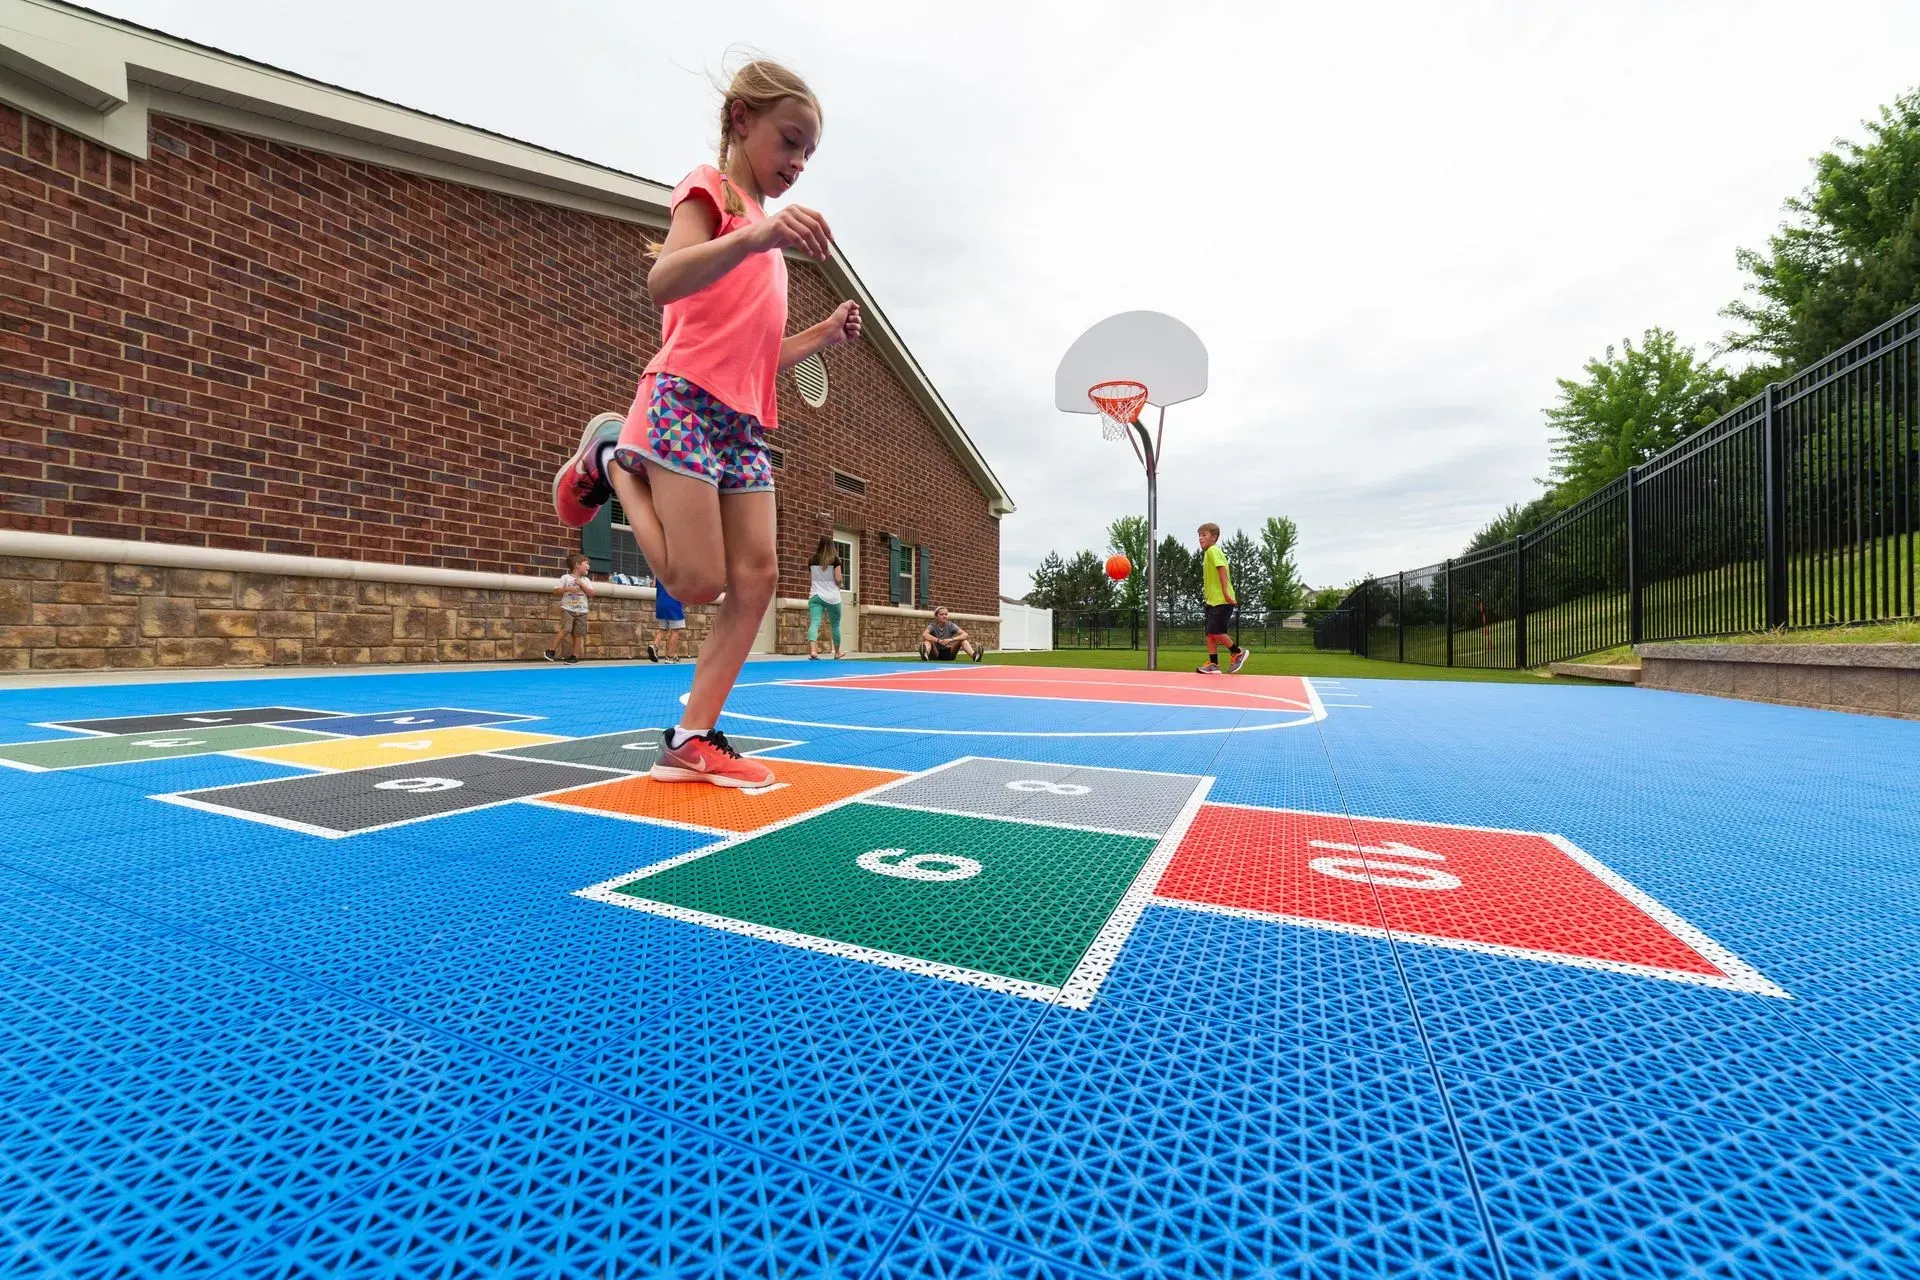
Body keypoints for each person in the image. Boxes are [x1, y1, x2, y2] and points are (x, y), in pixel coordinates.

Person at [550, 59, 859, 787]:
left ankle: (693, 738)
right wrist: (757, 238)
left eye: (809, 153)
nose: (798, 163)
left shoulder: (769, 243)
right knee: (695, 583)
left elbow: (755, 355)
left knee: (756, 578)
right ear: (740, 120)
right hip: (682, 399)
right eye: (790, 141)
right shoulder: (712, 190)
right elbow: (664, 278)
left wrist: (820, 335)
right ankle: (610, 458)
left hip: (743, 420)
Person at [1196, 522, 1249, 673]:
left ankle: (1237, 652)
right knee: (1210, 633)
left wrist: (1225, 592)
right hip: (1212, 600)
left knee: (1214, 630)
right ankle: (1214, 665)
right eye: (1199, 535)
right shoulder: (1208, 553)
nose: (1200, 538)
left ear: (1214, 537)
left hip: (1222, 600)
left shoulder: (1213, 551)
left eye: (1204, 535)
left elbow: (1222, 569)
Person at [546, 554, 593, 664]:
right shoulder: (565, 578)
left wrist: (582, 585)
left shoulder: (585, 580)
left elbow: (592, 593)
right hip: (568, 609)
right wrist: (568, 588)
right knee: (567, 628)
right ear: (577, 565)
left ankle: (574, 656)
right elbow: (556, 590)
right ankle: (551, 650)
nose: (589, 567)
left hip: (582, 611)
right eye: (586, 564)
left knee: (578, 634)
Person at [806, 534, 844, 659]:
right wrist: (841, 584)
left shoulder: (812, 560)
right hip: (832, 597)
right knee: (835, 624)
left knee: (815, 623)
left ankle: (813, 651)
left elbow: (811, 581)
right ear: (832, 547)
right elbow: (838, 579)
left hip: (815, 595)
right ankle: (837, 652)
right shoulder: (835, 560)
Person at [647, 578, 686, 663]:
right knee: (675, 631)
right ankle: (670, 656)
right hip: (673, 605)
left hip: (661, 604)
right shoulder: (678, 573)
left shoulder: (660, 572)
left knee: (663, 629)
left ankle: (654, 646)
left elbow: (654, 584)